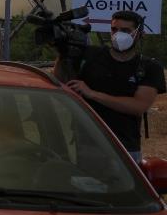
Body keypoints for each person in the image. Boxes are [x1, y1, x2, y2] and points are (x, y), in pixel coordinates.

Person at [62, 10, 166, 163]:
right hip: (86, 145)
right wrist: (62, 52)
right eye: (114, 29)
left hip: (125, 147)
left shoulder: (149, 67)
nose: (118, 34)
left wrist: (92, 94)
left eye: (125, 31)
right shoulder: (91, 56)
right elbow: (60, 79)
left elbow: (138, 106)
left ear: (139, 33)